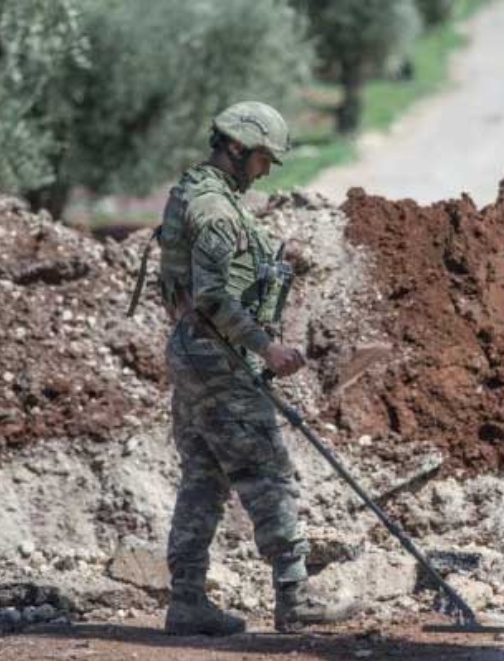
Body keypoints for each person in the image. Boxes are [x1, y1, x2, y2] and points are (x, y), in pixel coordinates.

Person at [157, 101, 356, 636]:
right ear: (238, 149)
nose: (267, 171)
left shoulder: (192, 191)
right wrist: (266, 348)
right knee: (268, 472)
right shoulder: (218, 213)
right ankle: (295, 598)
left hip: (195, 355)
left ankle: (187, 602)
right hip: (220, 359)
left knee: (203, 476)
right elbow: (213, 297)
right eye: (264, 159)